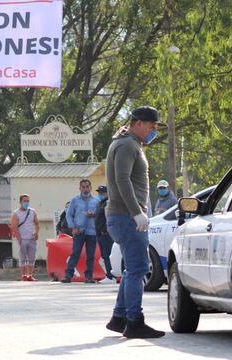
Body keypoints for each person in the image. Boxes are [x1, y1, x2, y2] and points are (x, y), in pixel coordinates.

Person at [104, 106, 166, 338]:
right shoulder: (127, 145)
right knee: (139, 268)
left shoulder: (127, 143)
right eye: (152, 126)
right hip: (127, 216)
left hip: (124, 216)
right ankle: (134, 321)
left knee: (132, 269)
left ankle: (119, 318)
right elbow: (122, 179)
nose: (154, 131)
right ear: (139, 123)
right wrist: (136, 212)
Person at [60, 179, 100, 284]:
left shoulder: (96, 201)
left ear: (91, 187)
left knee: (90, 255)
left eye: (87, 187)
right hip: (79, 231)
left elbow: (100, 215)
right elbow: (69, 214)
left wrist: (94, 215)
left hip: (92, 231)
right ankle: (68, 275)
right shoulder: (75, 200)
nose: (85, 189)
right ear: (80, 188)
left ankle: (89, 276)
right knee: (75, 253)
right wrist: (73, 227)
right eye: (83, 187)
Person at [10, 194, 40, 281]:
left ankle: (30, 275)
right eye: (25, 201)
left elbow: (37, 223)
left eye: (28, 201)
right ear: (20, 202)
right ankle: (23, 276)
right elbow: (14, 227)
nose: (26, 203)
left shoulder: (32, 212)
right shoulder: (16, 214)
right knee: (22, 257)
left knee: (32, 257)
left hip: (31, 238)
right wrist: (19, 239)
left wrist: (36, 233)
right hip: (22, 239)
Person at [95, 185, 115, 284]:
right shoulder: (101, 203)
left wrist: (105, 229)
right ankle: (109, 274)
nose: (100, 194)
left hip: (106, 234)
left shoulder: (109, 203)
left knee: (107, 254)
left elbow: (109, 217)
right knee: (104, 255)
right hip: (100, 234)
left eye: (102, 192)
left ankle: (111, 276)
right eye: (99, 193)